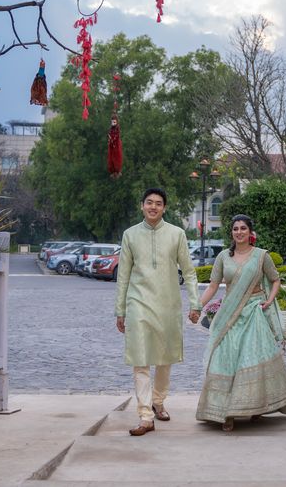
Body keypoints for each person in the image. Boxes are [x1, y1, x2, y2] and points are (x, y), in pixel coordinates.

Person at [195, 214, 286, 431]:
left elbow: (275, 279)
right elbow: (213, 287)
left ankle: (253, 406)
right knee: (225, 359)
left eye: (243, 228)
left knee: (251, 359)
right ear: (231, 232)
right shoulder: (223, 257)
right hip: (231, 314)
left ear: (250, 232)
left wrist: (268, 301)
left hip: (254, 312)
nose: (239, 232)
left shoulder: (261, 256)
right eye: (235, 229)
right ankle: (225, 412)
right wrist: (197, 306)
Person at [115, 187, 201, 436]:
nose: (153, 207)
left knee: (164, 358)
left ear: (164, 208)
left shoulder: (177, 234)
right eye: (149, 202)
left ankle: (158, 399)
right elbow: (123, 275)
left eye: (158, 203)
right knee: (140, 360)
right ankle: (145, 415)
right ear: (142, 206)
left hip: (167, 305)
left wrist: (195, 303)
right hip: (138, 303)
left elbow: (189, 271)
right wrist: (120, 310)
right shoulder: (130, 235)